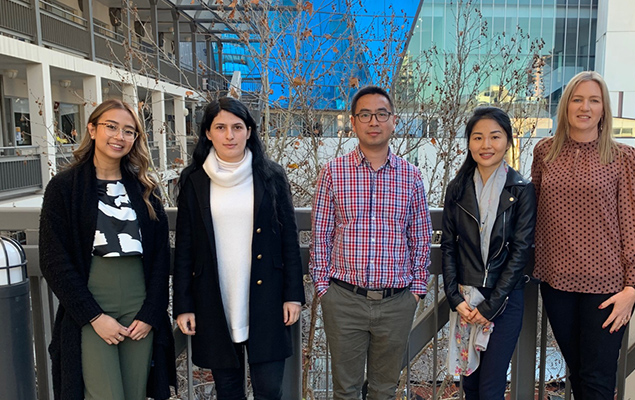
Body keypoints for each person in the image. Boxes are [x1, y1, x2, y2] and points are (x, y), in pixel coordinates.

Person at [39, 99, 175, 400]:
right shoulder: (65, 187)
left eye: (129, 131)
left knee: (135, 393)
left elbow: (160, 258)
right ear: (92, 128)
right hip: (92, 306)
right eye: (111, 127)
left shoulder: (145, 188)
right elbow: (52, 259)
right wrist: (93, 316)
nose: (119, 136)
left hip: (139, 307)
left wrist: (152, 313)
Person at [173, 97, 305, 400]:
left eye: (237, 127)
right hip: (214, 297)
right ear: (208, 133)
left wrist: (293, 295)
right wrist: (183, 304)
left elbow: (289, 239)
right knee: (228, 389)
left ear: (249, 131)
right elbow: (184, 246)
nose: (229, 135)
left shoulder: (271, 175)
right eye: (220, 127)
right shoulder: (193, 180)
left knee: (270, 388)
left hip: (267, 296)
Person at [531, 71, 635, 399]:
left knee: (598, 380)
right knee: (579, 373)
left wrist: (632, 287)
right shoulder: (544, 152)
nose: (585, 107)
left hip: (608, 287)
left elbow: (634, 224)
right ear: (566, 105)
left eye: (594, 100)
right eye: (577, 99)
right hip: (557, 284)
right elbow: (535, 212)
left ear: (604, 109)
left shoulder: (623, 157)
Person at [310, 85, 432, 399]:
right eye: (365, 115)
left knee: (384, 390)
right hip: (344, 300)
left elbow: (420, 237)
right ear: (353, 122)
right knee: (346, 390)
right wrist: (324, 289)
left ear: (394, 121)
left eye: (381, 114)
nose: (373, 121)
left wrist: (417, 290)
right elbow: (321, 235)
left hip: (396, 302)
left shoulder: (411, 176)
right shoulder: (333, 173)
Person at [441, 107, 535, 399]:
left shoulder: (521, 190)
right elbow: (448, 245)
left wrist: (491, 306)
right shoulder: (457, 189)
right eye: (478, 137)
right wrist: (455, 299)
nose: (486, 145)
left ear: (507, 141)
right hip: (467, 299)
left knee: (492, 386)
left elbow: (521, 252)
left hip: (505, 301)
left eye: (495, 137)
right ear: (468, 142)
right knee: (469, 385)